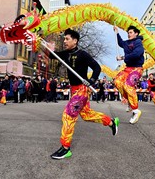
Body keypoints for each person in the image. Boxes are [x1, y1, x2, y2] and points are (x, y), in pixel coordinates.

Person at [49, 28, 119, 160]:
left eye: (67, 39)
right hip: (73, 89)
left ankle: (65, 148)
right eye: (64, 39)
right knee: (87, 115)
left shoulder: (83, 54)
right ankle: (111, 122)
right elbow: (51, 55)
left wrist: (91, 80)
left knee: (68, 115)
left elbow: (97, 68)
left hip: (82, 89)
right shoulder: (64, 54)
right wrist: (44, 47)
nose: (64, 41)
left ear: (75, 41)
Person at [113, 25, 144, 124]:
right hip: (128, 68)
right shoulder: (126, 43)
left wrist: (123, 58)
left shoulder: (138, 42)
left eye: (130, 32)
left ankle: (136, 111)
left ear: (136, 34)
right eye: (128, 32)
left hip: (137, 69)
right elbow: (120, 42)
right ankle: (130, 103)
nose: (129, 34)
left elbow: (137, 54)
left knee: (128, 85)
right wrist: (117, 32)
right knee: (117, 81)